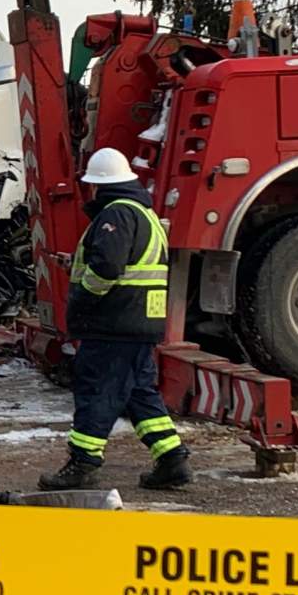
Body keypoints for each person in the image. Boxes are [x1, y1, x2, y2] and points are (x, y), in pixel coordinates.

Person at [39, 147, 191, 491]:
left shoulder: (117, 214)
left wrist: (84, 297)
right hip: (139, 322)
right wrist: (77, 265)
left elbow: (108, 268)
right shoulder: (143, 213)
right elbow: (130, 263)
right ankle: (172, 459)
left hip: (113, 323)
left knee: (97, 392)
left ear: (99, 185)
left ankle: (83, 463)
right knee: (139, 393)